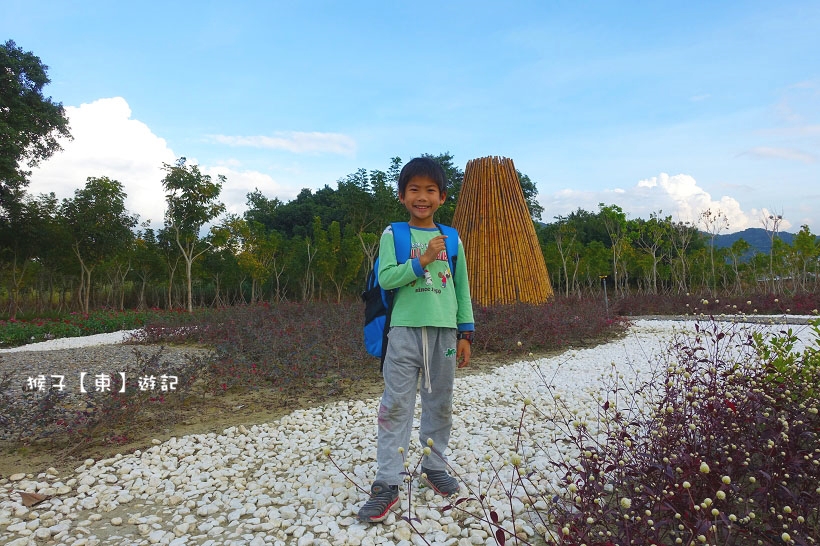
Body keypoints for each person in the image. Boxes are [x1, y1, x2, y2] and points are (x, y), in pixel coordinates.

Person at [357, 157, 475, 523]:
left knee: (440, 402)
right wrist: (422, 259)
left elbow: (461, 287)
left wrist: (466, 332)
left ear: (442, 197)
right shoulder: (394, 234)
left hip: (443, 333)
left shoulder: (452, 237)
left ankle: (434, 466)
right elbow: (387, 278)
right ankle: (387, 482)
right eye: (414, 190)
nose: (421, 197)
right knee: (395, 406)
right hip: (404, 333)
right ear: (401, 196)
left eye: (429, 191)